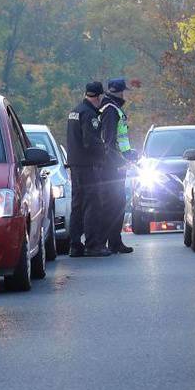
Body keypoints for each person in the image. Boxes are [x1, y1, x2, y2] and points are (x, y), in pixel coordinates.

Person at [95, 77, 138, 254]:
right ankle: (112, 242)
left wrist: (129, 153)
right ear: (121, 92)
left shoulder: (108, 107)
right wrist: (119, 162)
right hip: (112, 167)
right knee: (115, 204)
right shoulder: (111, 110)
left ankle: (113, 241)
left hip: (113, 164)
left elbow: (119, 141)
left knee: (114, 204)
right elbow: (110, 141)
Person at [65, 82, 106, 256]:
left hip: (75, 165)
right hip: (88, 166)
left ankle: (75, 245)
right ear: (98, 97)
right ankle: (92, 245)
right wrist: (103, 151)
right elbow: (90, 142)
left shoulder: (75, 111)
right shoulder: (89, 114)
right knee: (92, 204)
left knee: (77, 205)